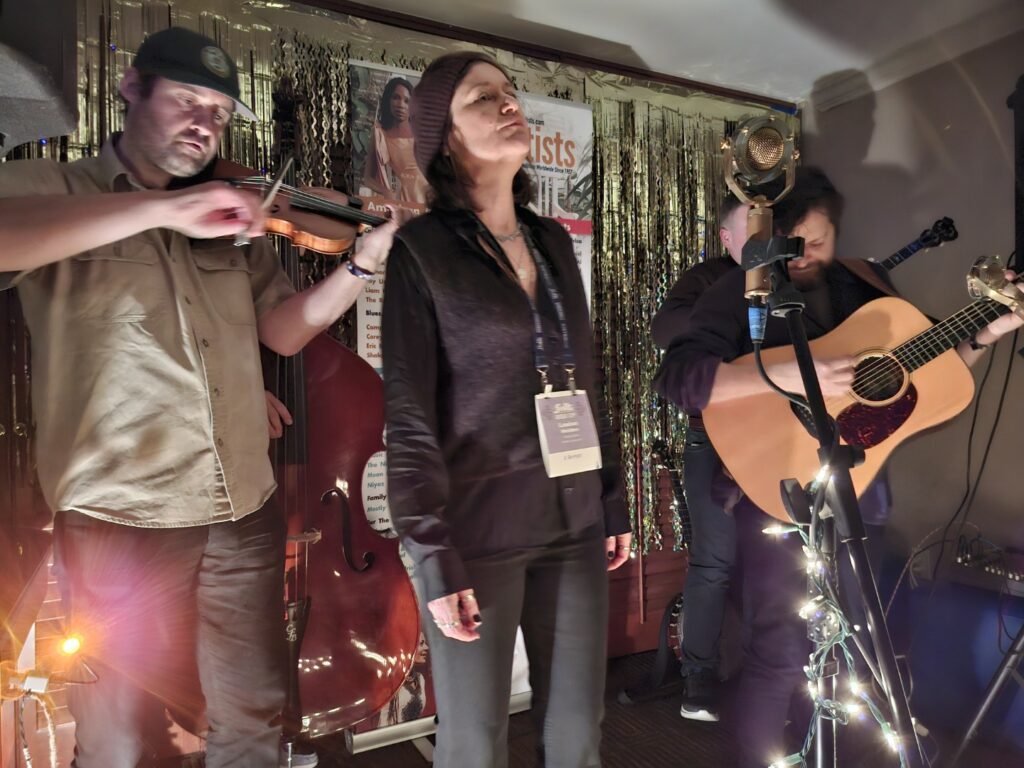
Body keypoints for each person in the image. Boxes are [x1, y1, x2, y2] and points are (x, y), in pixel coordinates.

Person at [0, 27, 398, 768]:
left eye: (217, 113)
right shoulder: (55, 188)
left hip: (240, 504)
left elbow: (282, 334)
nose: (203, 124)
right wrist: (158, 212)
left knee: (253, 715)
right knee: (118, 739)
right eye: (186, 100)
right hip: (120, 514)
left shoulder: (234, 219)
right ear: (132, 89)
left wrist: (361, 267)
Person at [653, 166, 1021, 767]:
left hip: (860, 497)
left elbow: (928, 370)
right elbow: (678, 379)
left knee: (855, 653)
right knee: (778, 653)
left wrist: (986, 331)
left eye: (818, 241)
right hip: (779, 497)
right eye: (790, 244)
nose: (804, 254)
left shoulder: (866, 286)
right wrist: (791, 374)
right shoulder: (741, 291)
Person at [382, 51, 631, 768]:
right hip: (479, 532)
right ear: (445, 136)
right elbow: (408, 415)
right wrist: (432, 556)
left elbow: (585, 376)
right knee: (474, 742)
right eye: (482, 97)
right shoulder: (421, 251)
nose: (508, 102)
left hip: (574, 522)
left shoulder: (551, 241)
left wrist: (610, 496)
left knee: (577, 733)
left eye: (509, 91)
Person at [650, 190, 752, 723]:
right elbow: (665, 330)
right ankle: (699, 679)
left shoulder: (794, 280)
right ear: (727, 238)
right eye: (752, 232)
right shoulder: (708, 279)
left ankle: (766, 676)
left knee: (773, 562)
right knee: (714, 561)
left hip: (781, 438)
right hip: (712, 438)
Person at [363, 76, 430, 204]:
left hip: (427, 199)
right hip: (401, 201)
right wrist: (385, 191)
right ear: (388, 100)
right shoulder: (380, 134)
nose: (401, 105)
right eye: (396, 98)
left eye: (407, 101)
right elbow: (367, 178)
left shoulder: (422, 131)